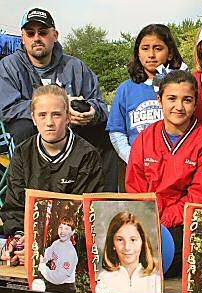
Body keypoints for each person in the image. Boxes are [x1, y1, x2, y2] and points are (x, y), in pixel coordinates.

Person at [0, 7, 117, 191]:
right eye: (30, 33)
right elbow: (7, 108)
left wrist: (91, 112)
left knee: (105, 129)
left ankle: (103, 202)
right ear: (23, 38)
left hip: (75, 129)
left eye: (43, 32)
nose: (37, 38)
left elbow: (99, 104)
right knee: (25, 127)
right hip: (32, 130)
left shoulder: (76, 66)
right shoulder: (7, 66)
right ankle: (29, 198)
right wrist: (55, 110)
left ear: (55, 35)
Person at [0, 85, 104, 266]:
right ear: (33, 118)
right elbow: (15, 206)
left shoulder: (87, 154)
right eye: (42, 115)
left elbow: (85, 214)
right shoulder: (22, 153)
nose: (49, 122)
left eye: (56, 114)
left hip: (71, 242)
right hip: (29, 238)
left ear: (68, 118)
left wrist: (41, 245)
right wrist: (19, 240)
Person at [125, 70, 202, 277]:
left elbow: (199, 195)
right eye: (172, 99)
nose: (179, 107)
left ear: (195, 103)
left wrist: (163, 221)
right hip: (144, 219)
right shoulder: (145, 138)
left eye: (187, 100)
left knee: (158, 258)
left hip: (181, 223)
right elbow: (134, 187)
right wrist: (146, 219)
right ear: (160, 100)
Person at [106, 24, 187, 164]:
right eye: (145, 49)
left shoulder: (183, 87)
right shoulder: (126, 89)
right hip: (138, 168)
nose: (151, 55)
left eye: (158, 48)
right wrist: (132, 158)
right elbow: (116, 132)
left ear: (170, 53)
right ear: (137, 53)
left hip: (176, 166)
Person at [96, 212, 161, 293]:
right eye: (120, 240)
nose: (127, 247)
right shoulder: (103, 280)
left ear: (142, 242)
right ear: (112, 244)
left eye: (133, 240)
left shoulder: (155, 280)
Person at [38, 216, 78, 293]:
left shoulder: (70, 252)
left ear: (73, 232)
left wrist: (43, 269)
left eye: (66, 229)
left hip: (65, 288)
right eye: (60, 228)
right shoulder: (57, 243)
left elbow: (59, 277)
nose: (62, 231)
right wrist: (43, 258)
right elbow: (48, 254)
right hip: (53, 284)